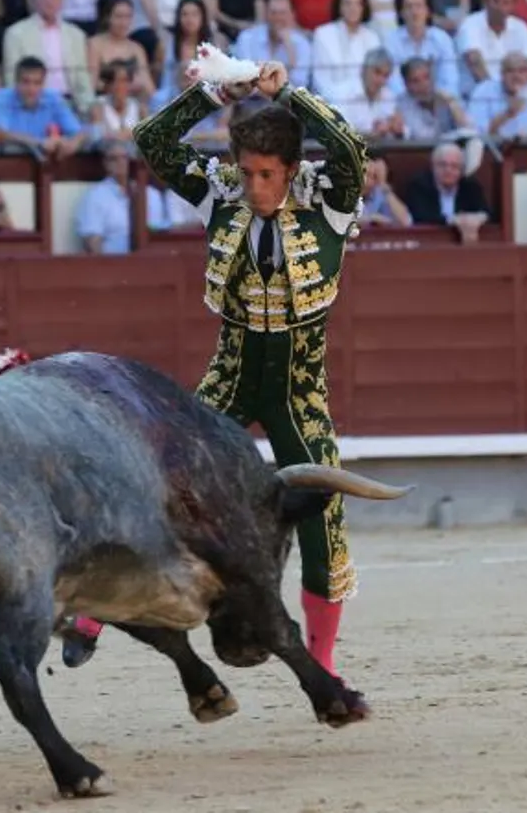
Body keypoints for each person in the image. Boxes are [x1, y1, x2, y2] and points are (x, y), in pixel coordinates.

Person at [63, 53, 372, 705]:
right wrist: (214, 93)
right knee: (153, 482)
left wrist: (290, 94)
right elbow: (153, 140)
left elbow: (349, 144)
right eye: (246, 171)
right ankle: (94, 608)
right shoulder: (223, 191)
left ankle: (323, 661)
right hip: (227, 384)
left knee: (325, 517)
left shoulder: (331, 201)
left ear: (290, 169)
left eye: (265, 174)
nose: (253, 186)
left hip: (297, 393)